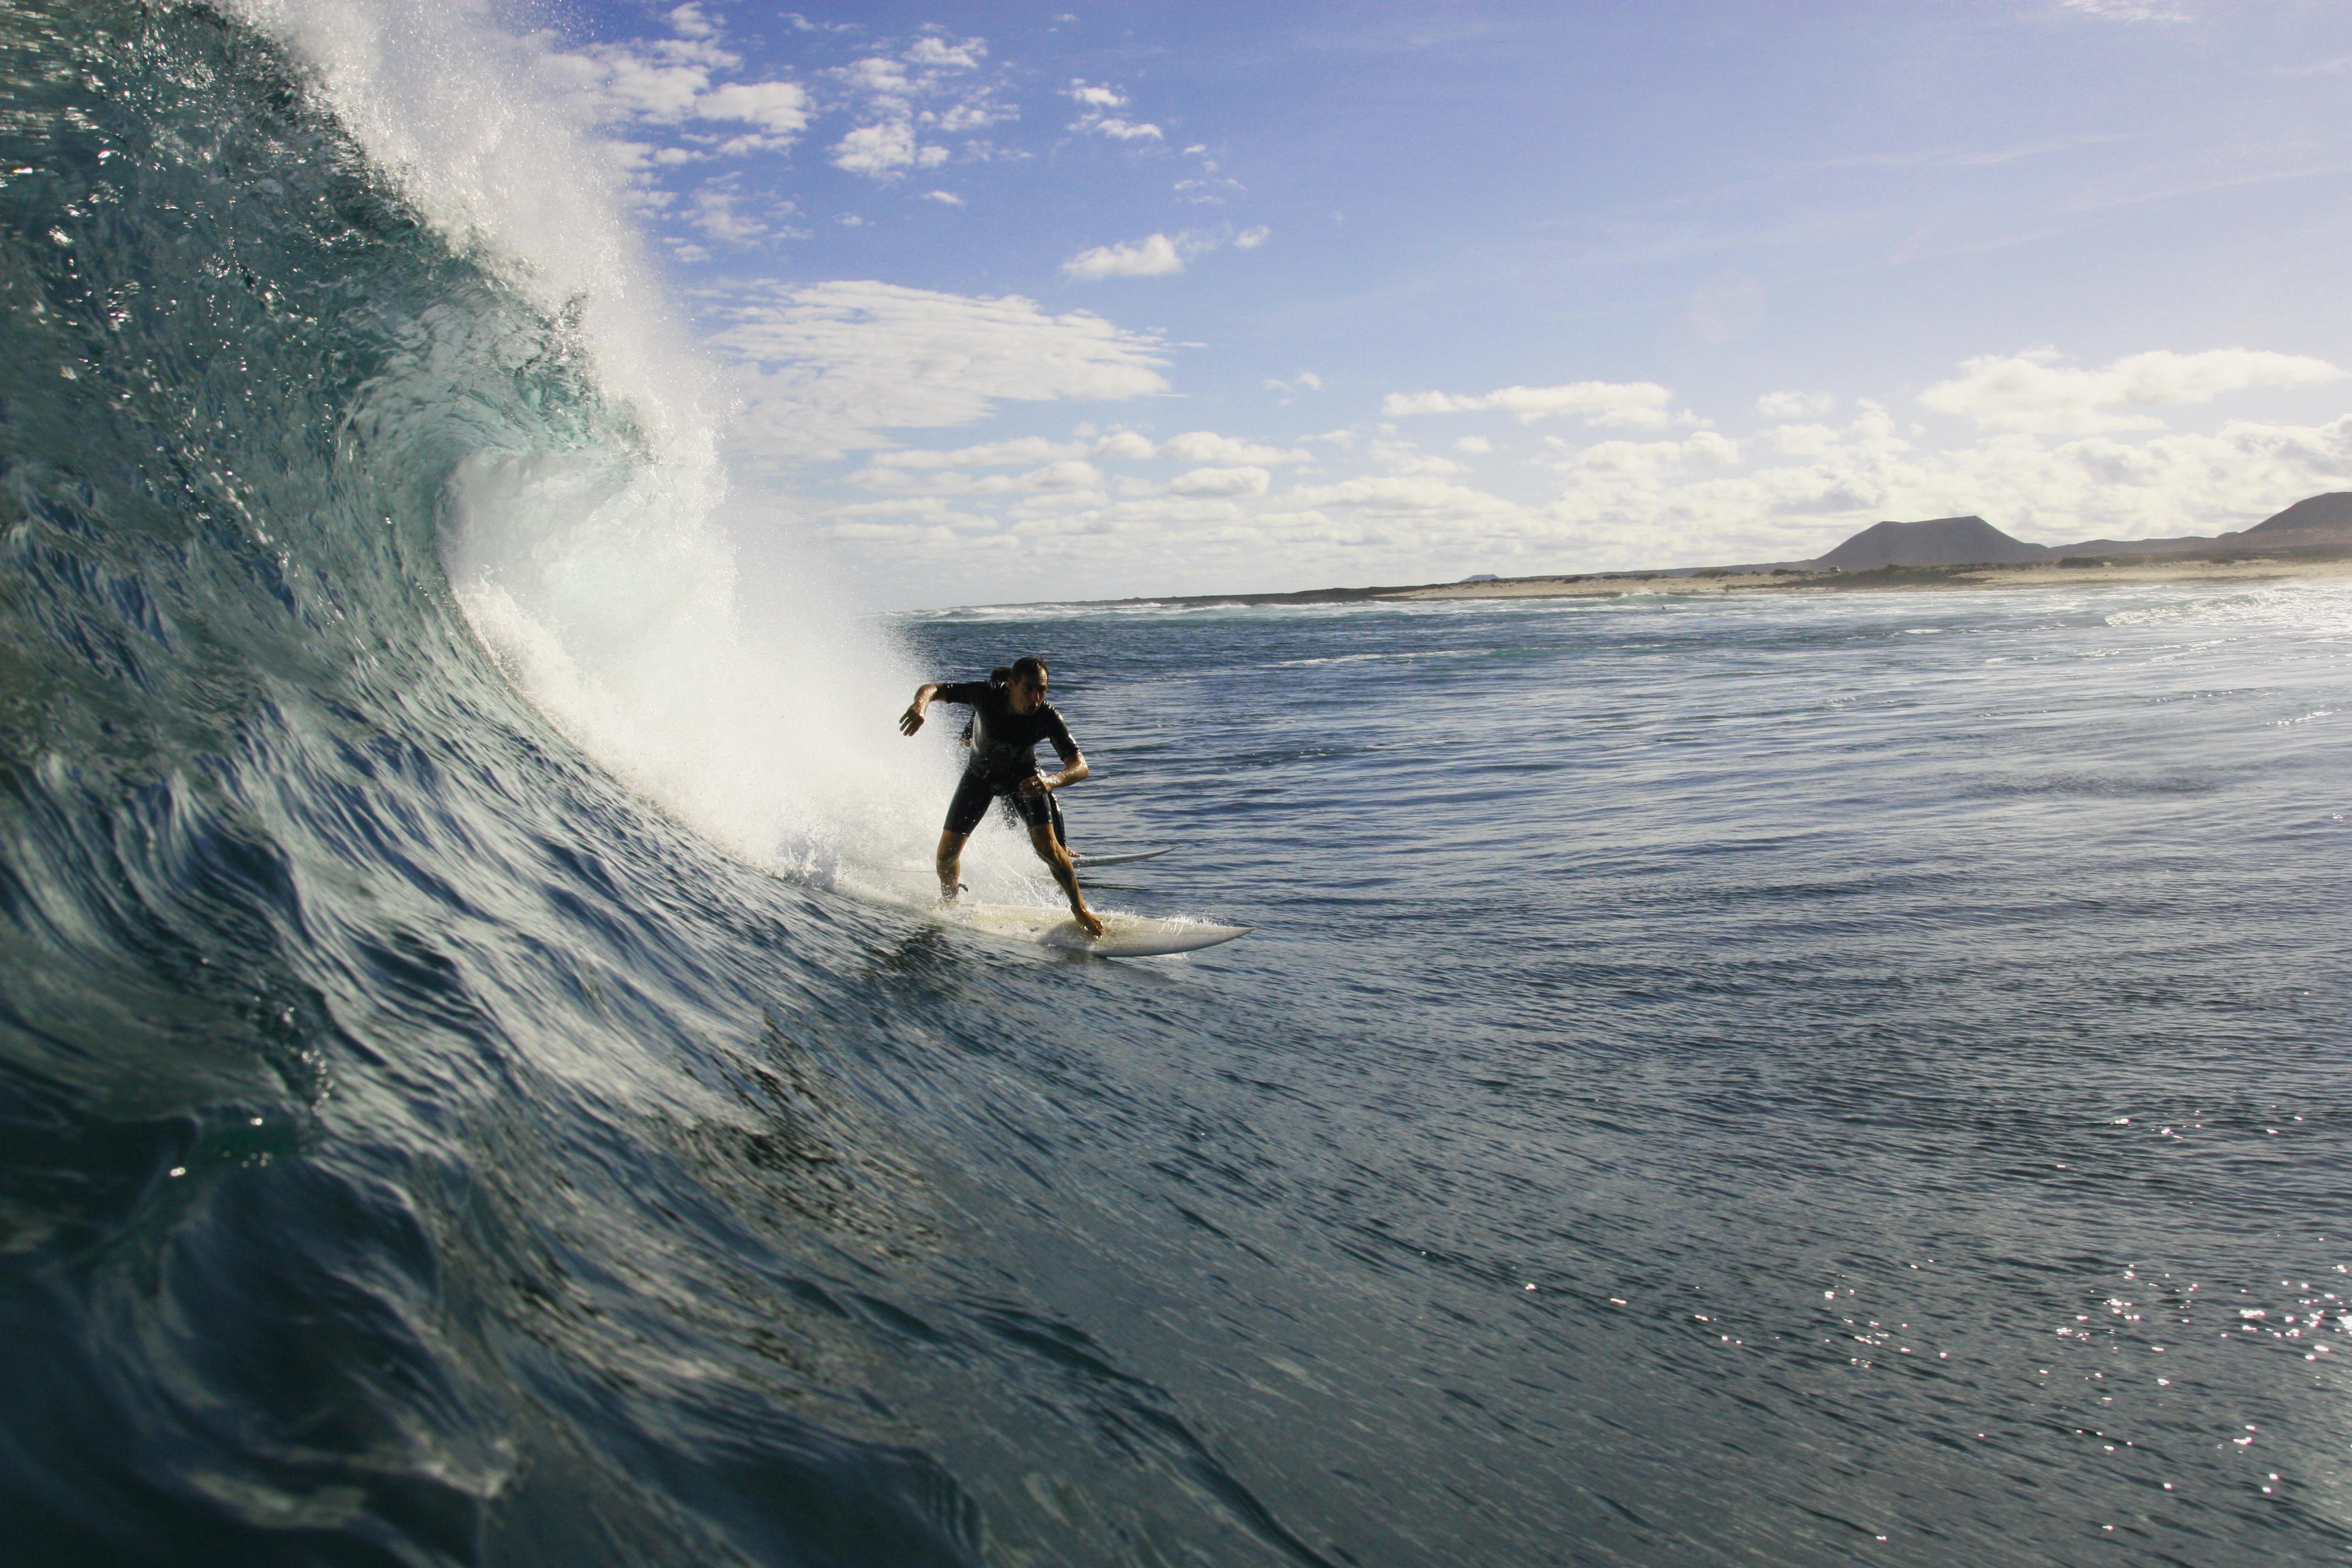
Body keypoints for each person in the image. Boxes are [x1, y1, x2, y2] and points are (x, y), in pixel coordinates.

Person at [899, 655, 1104, 937]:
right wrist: (920, 706)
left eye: (1042, 689)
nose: (1036, 697)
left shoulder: (1047, 716)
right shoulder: (986, 695)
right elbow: (934, 689)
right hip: (979, 778)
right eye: (1029, 689)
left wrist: (1050, 781)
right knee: (946, 857)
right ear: (1011, 685)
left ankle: (1079, 909)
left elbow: (1080, 767)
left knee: (1048, 849)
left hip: (1024, 779)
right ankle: (950, 902)